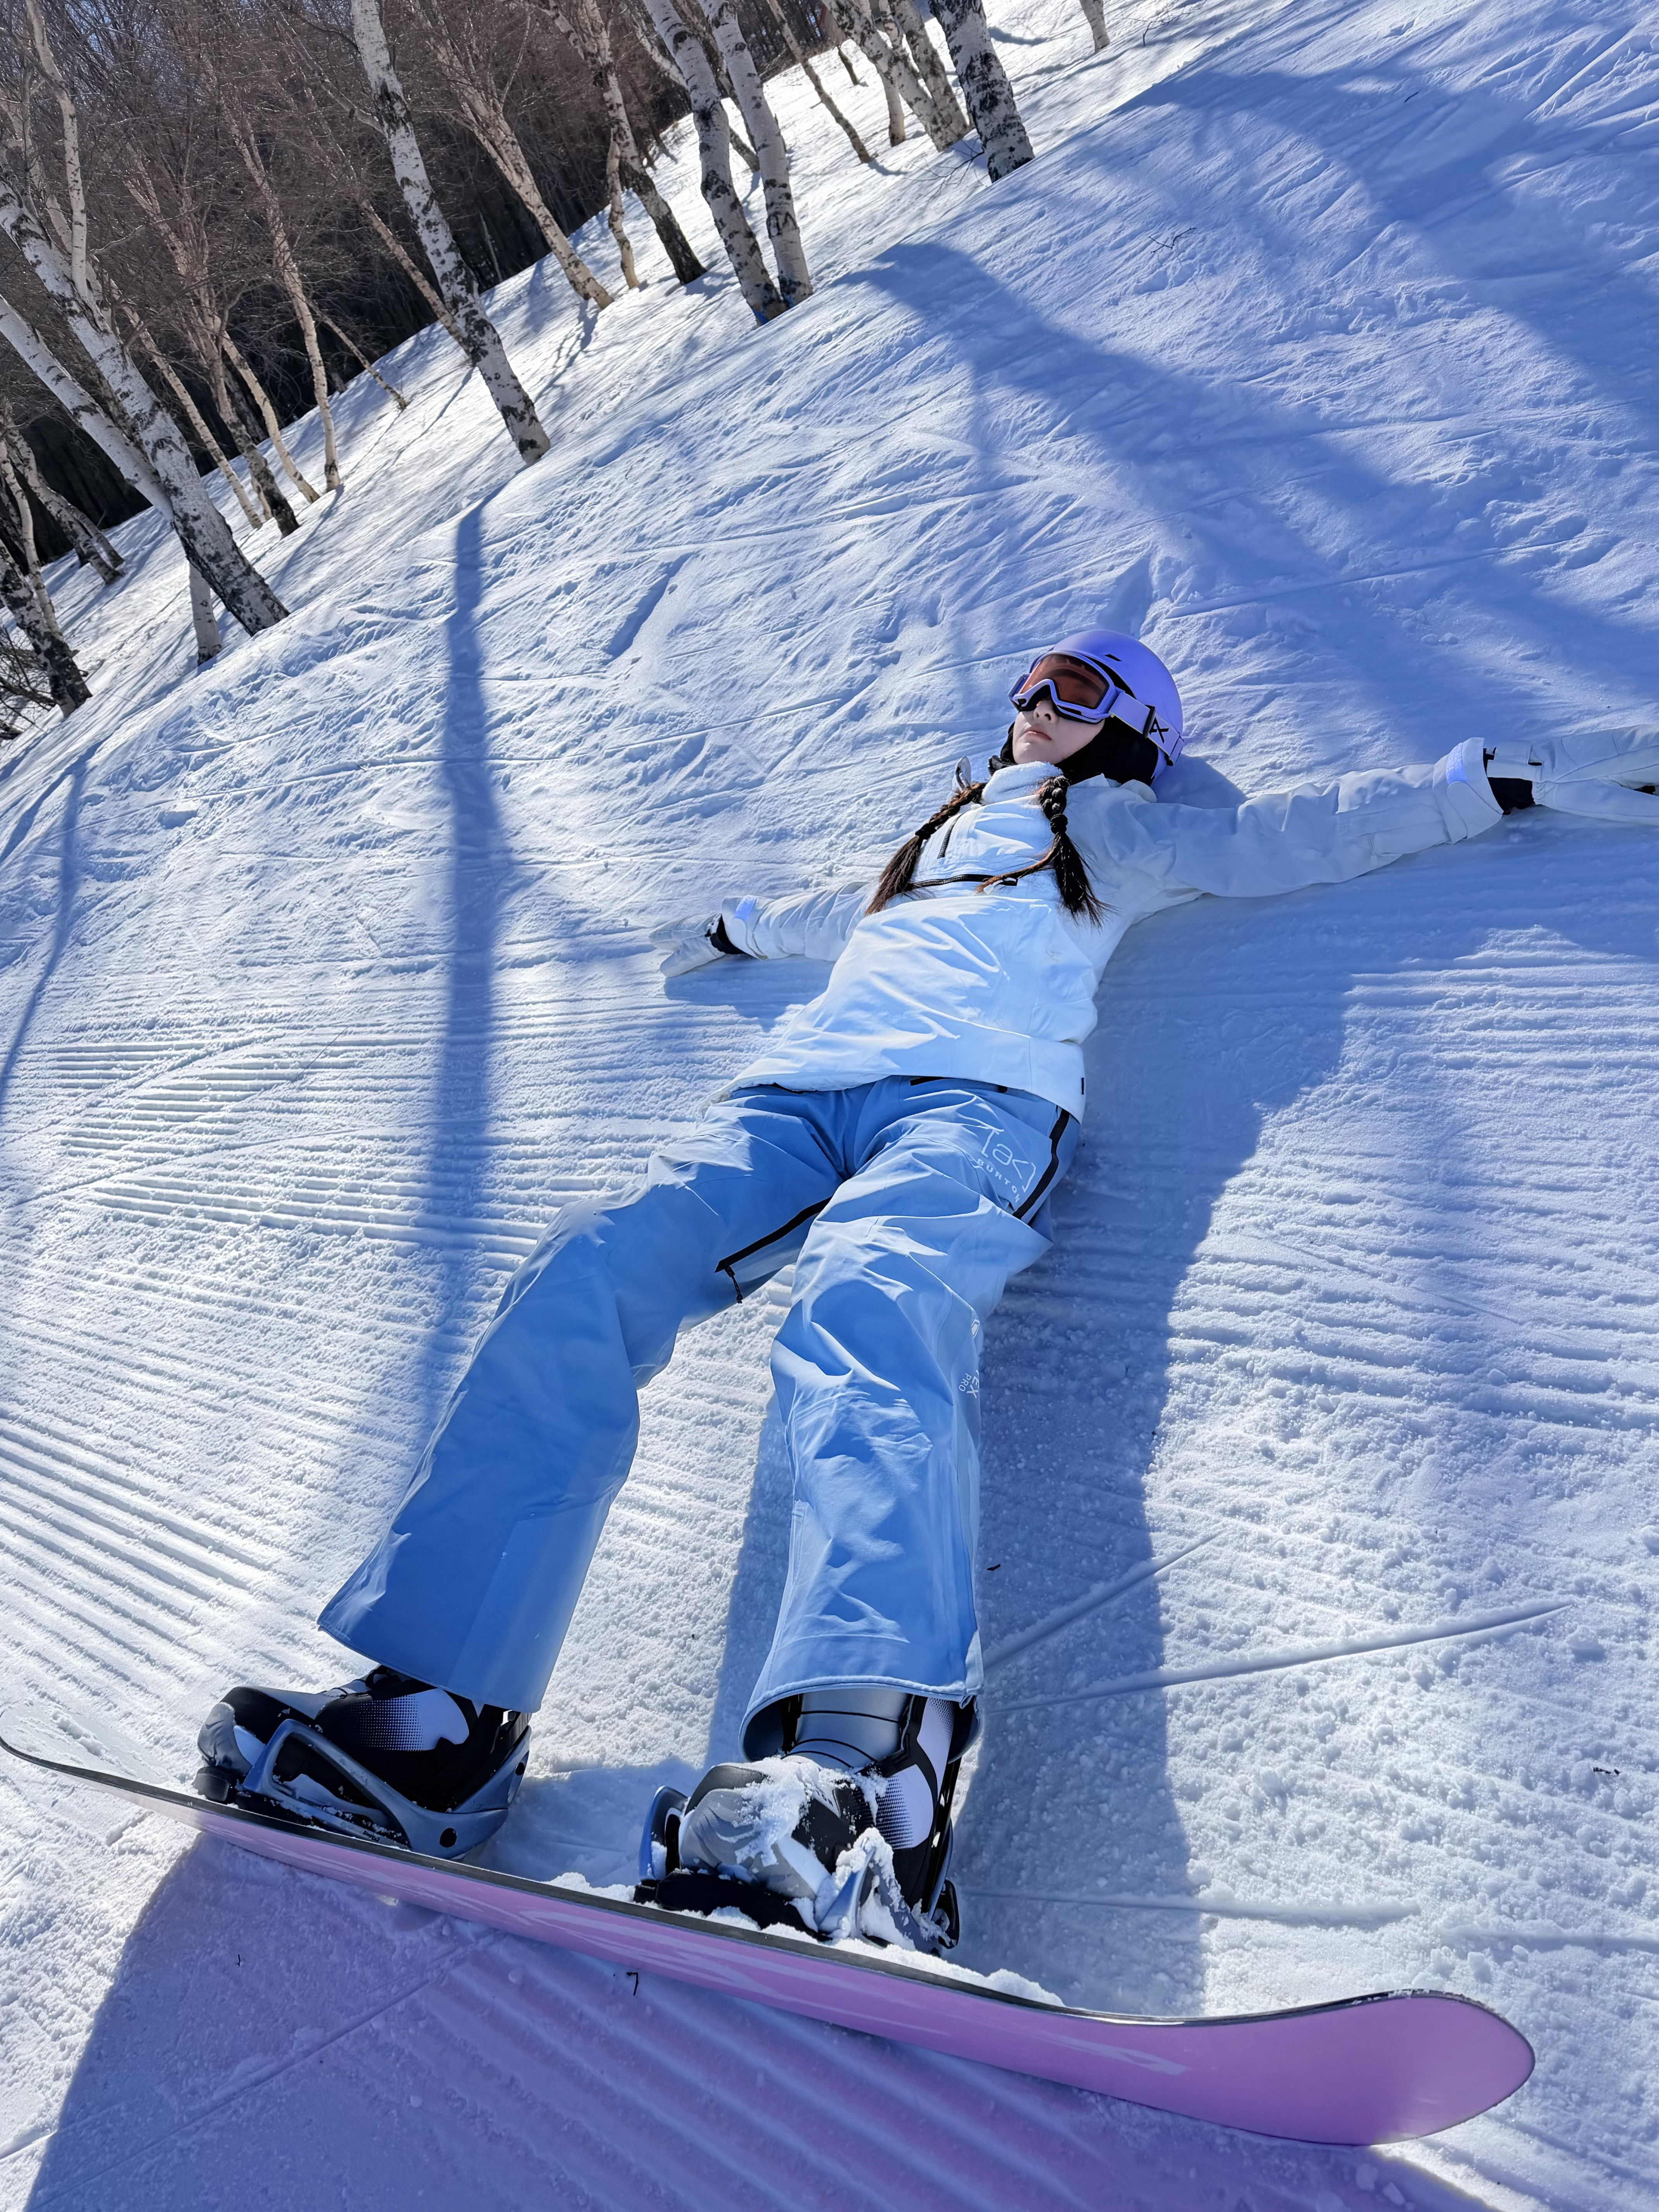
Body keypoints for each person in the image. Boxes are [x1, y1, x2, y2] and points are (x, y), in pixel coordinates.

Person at [197, 630, 1659, 1951]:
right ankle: (439, 1719)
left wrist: (1489, 778)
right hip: (791, 1101)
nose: (1035, 703)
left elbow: (1292, 834)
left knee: (867, 1313)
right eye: (1027, 683)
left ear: (1131, 726)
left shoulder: (1113, 827)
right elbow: (830, 916)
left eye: (1073, 688)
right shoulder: (935, 838)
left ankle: (864, 1780)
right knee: (581, 1275)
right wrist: (737, 929)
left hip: (973, 1107)